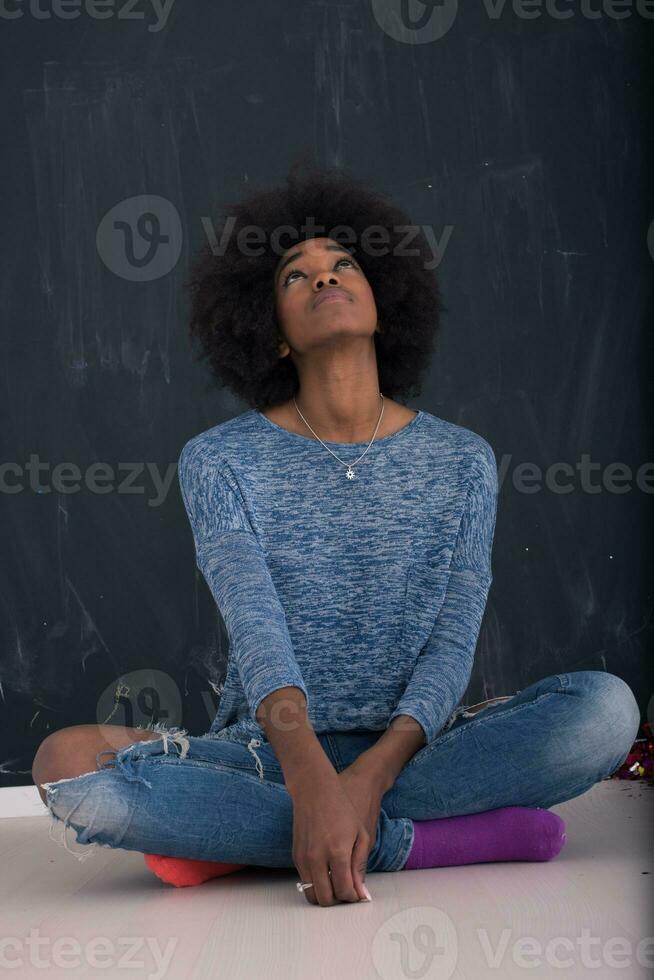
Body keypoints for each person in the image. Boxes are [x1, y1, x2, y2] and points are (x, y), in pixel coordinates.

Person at [32, 161, 641, 908]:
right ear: (274, 335)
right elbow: (256, 628)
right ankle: (419, 843)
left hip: (419, 749)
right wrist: (312, 781)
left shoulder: (463, 460)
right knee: (65, 767)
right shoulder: (220, 459)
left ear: (384, 304)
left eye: (343, 264)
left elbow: (453, 641)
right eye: (296, 276)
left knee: (607, 712)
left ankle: (256, 841)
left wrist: (370, 775)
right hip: (273, 753)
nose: (324, 279)